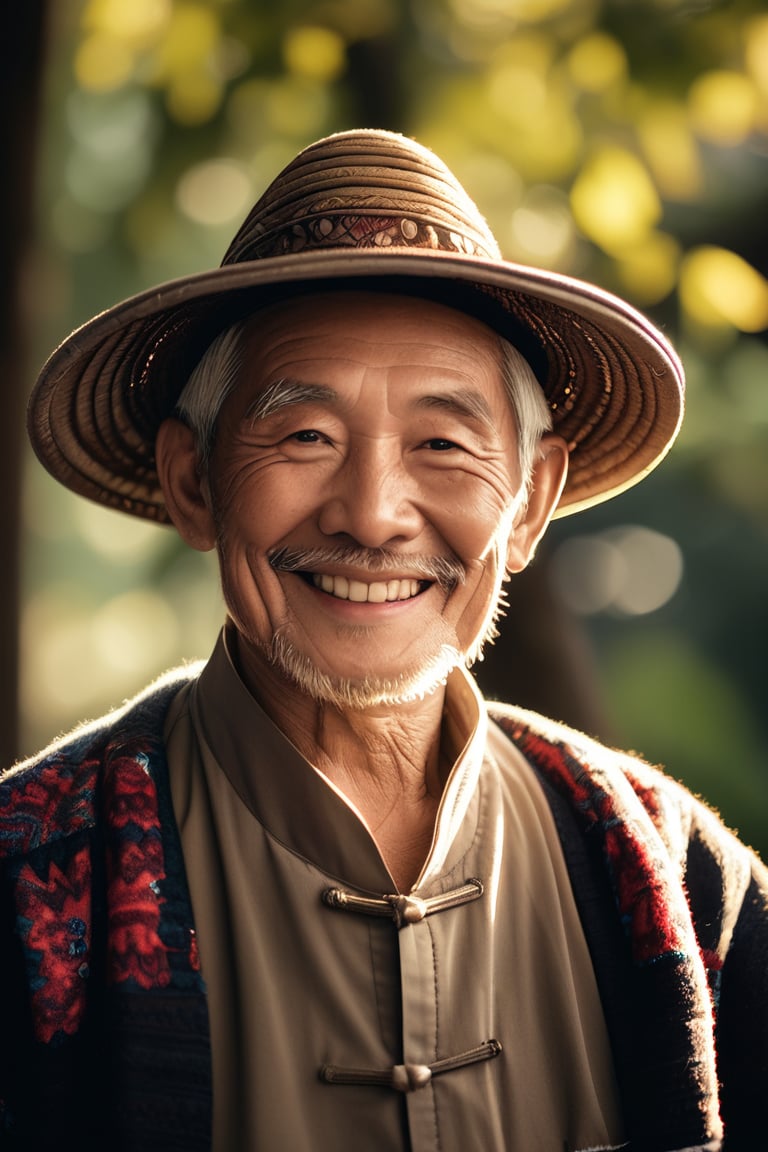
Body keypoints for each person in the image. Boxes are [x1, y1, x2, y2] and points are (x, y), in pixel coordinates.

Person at [1, 129, 766, 1152]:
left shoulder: (684, 886)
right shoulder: (25, 883)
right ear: (194, 480)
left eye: (443, 444)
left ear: (532, 498)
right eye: (304, 435)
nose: (371, 515)